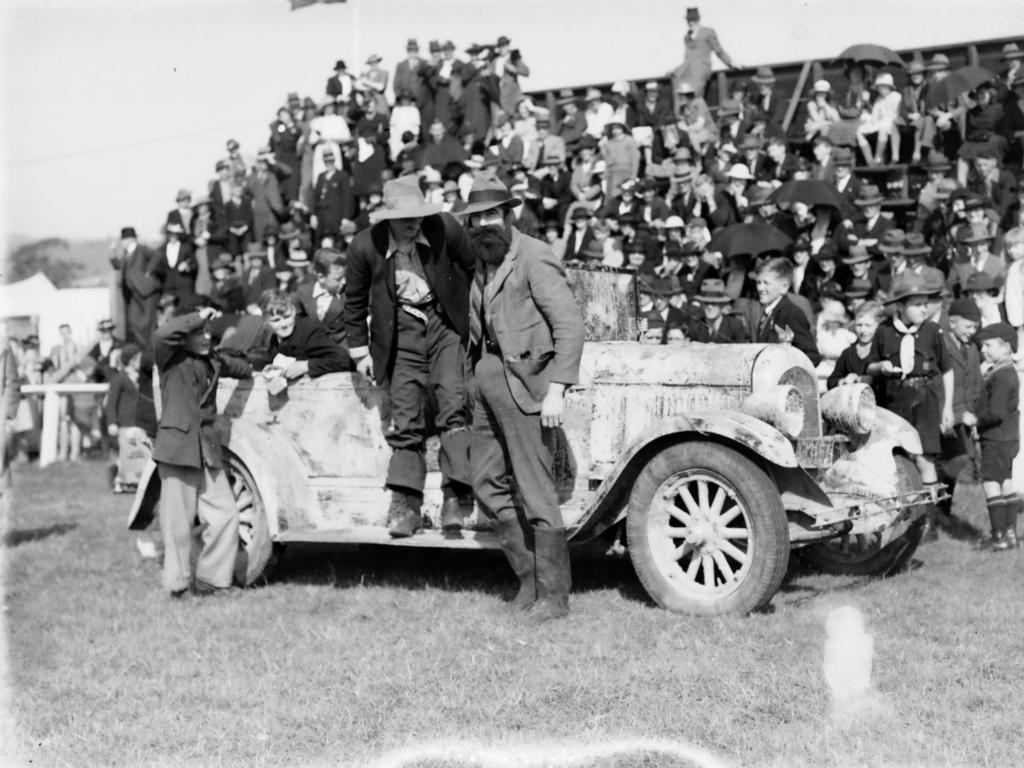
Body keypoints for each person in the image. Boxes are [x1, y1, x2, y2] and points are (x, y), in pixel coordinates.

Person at [462, 176, 585, 623]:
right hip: (489, 380)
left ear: (509, 215)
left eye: (491, 215)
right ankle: (529, 580)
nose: (483, 224)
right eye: (476, 218)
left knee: (536, 490)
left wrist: (557, 389)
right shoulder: (483, 257)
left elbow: (570, 325)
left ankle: (554, 597)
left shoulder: (534, 256)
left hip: (529, 385)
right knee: (486, 481)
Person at [344, 176, 475, 537]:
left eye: (417, 215)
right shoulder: (363, 247)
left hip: (443, 321)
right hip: (399, 329)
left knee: (453, 404)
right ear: (388, 219)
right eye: (404, 218)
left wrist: (475, 320)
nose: (413, 222)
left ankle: (455, 499)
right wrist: (360, 352)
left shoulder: (444, 227)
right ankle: (407, 506)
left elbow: (473, 267)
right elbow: (353, 304)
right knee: (406, 416)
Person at [152, 305, 253, 597]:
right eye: (198, 332)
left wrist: (274, 364)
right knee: (178, 525)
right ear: (185, 334)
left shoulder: (214, 360)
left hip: (207, 449)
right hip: (178, 450)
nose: (206, 336)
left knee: (226, 515)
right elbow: (163, 334)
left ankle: (212, 580)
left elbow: (244, 367)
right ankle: (178, 586)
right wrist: (198, 317)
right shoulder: (169, 358)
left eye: (209, 330)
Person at [867, 272, 954, 538]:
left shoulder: (932, 331)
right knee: (898, 460)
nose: (924, 308)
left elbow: (947, 369)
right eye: (917, 304)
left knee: (926, 458)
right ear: (900, 306)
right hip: (895, 399)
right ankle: (902, 519)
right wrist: (879, 366)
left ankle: (928, 522)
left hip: (925, 397)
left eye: (926, 303)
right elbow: (869, 365)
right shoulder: (884, 331)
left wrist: (947, 407)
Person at [965, 323, 1020, 549]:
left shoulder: (1002, 375)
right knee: (1005, 481)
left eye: (988, 345)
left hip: (996, 438)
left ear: (1006, 347)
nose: (984, 350)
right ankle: (1010, 535)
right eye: (982, 346)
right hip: (1008, 438)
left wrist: (975, 420)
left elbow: (996, 412)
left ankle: (998, 538)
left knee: (990, 483)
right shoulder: (1005, 371)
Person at [258, 289, 351, 378]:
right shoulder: (276, 338)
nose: (284, 324)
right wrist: (269, 367)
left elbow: (344, 360)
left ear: (294, 311)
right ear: (265, 321)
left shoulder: (310, 332)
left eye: (287, 316)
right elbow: (267, 359)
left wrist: (306, 365)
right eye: (276, 320)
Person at [754, 257, 821, 364]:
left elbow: (812, 356)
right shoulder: (766, 313)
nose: (760, 288)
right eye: (758, 282)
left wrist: (786, 368)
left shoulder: (791, 314)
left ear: (784, 287)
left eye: (766, 283)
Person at [113, 226, 163, 347]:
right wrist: (113, 255)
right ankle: (143, 347)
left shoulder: (141, 249)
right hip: (133, 293)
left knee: (149, 323)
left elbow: (157, 256)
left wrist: (149, 272)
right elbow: (118, 265)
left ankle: (151, 349)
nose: (121, 243)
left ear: (130, 239)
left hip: (146, 291)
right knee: (135, 322)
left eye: (123, 240)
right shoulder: (126, 254)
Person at [672, 6, 737, 96]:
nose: (690, 23)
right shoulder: (687, 37)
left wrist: (731, 63)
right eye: (689, 20)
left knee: (696, 91)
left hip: (701, 69)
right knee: (676, 79)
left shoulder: (707, 32)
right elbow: (687, 57)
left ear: (698, 20)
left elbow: (719, 51)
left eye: (693, 20)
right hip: (688, 69)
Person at [293, 247, 349, 349]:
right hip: (311, 350)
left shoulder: (348, 295)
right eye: (338, 278)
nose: (344, 281)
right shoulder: (302, 293)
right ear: (321, 277)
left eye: (345, 276)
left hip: (341, 351)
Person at [827, 300, 882, 390]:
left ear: (878, 326)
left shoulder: (882, 351)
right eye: (859, 325)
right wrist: (843, 381)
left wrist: (873, 380)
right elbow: (831, 381)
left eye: (868, 325)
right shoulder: (848, 354)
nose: (863, 330)